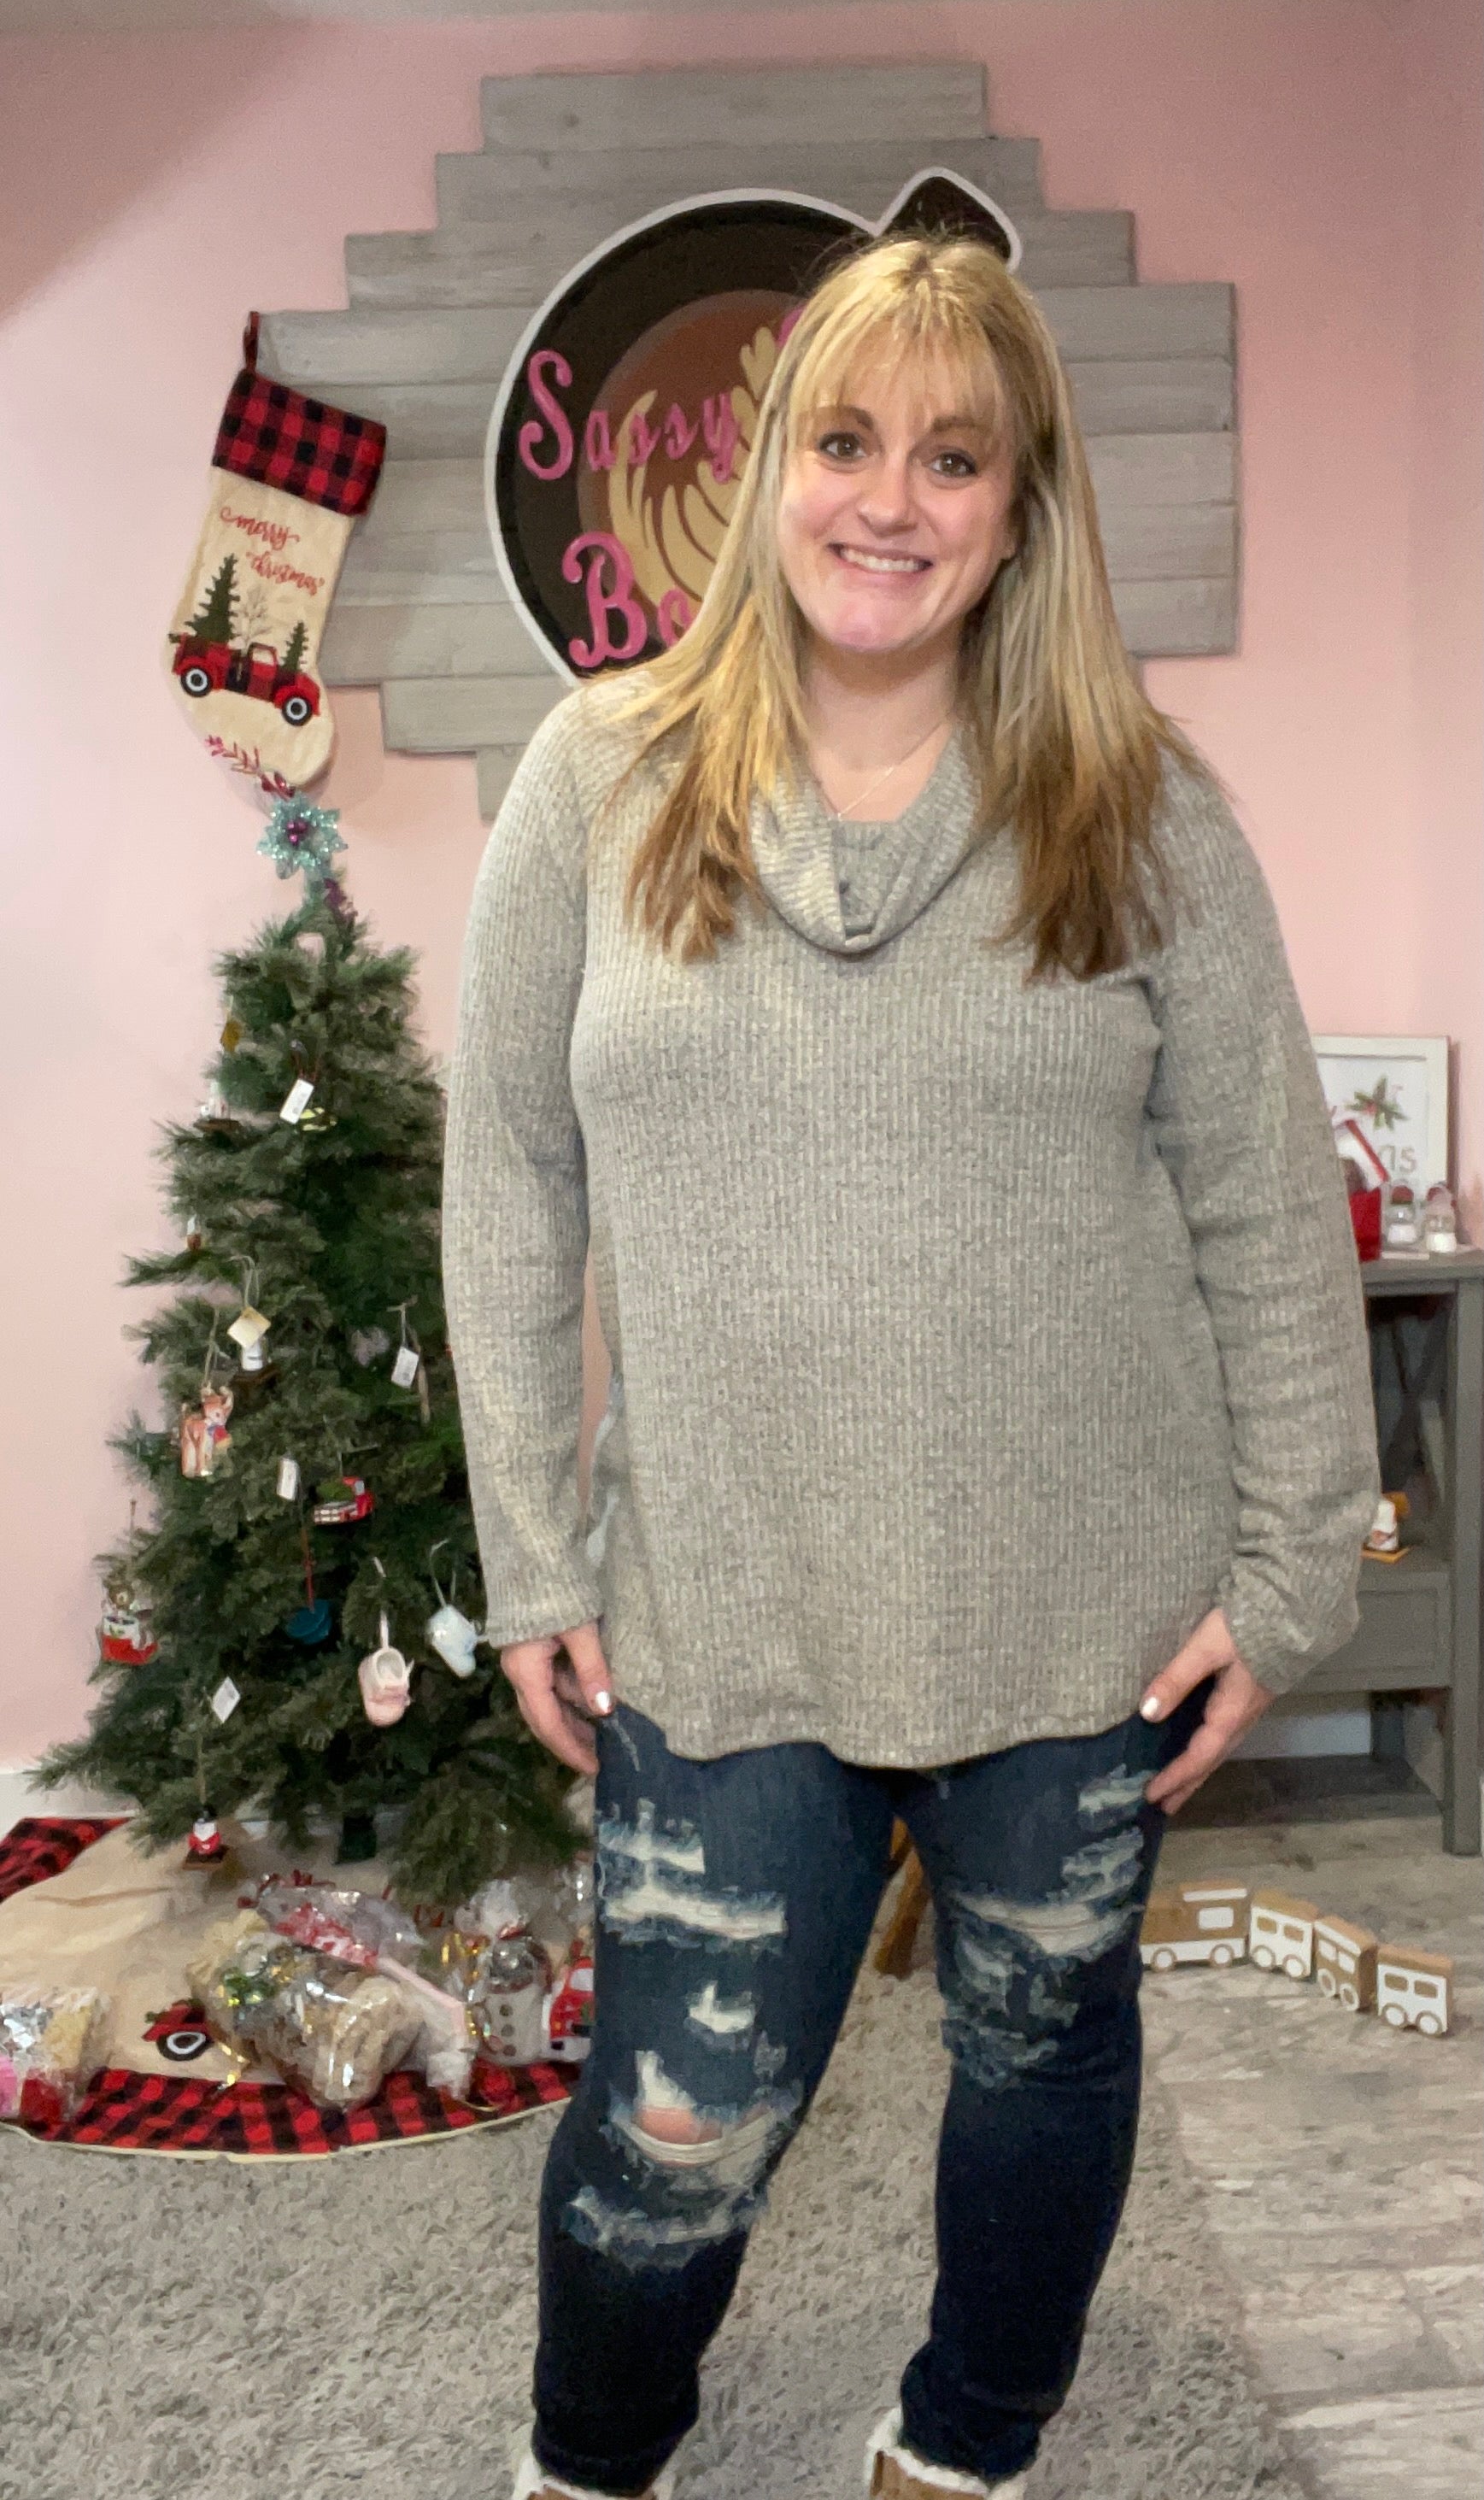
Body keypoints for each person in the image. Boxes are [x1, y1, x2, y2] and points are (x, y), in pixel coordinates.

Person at [443, 234, 1378, 2500]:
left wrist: (1289, 1578)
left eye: (953, 457)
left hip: (1079, 1620)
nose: (891, 499)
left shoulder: (1139, 808)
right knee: (672, 2120)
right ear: (768, 468)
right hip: (724, 1606)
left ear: (1020, 504)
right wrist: (533, 1552)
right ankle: (590, 2460)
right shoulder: (595, 781)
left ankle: (966, 2445)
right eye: (847, 441)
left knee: (1042, 2060)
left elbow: (1268, 1210)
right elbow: (512, 1187)